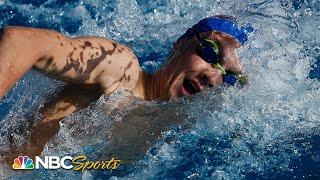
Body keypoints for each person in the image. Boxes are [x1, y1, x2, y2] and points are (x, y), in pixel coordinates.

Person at [0, 16, 252, 163]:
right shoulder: (121, 69)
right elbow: (21, 41)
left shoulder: (179, 126)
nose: (213, 76)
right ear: (180, 43)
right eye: (210, 52)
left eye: (229, 77)